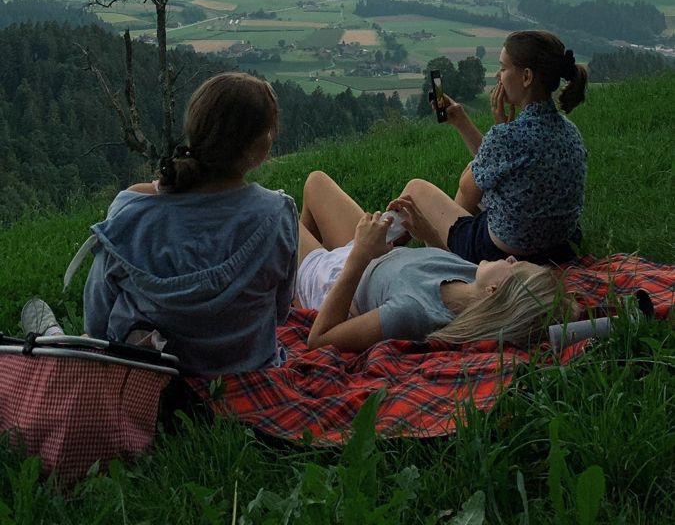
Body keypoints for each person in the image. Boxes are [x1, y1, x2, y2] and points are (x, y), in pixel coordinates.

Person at [28, 73, 298, 377]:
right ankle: (52, 337)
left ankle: (51, 337)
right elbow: (280, 311)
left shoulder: (132, 213)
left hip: (147, 376)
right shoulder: (278, 214)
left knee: (74, 344)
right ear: (259, 148)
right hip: (247, 368)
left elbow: (98, 316)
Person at [296, 170, 571, 353]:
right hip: (368, 255)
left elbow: (320, 341)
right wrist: (427, 234)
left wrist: (359, 257)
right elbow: (438, 271)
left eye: (514, 266)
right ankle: (290, 275)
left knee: (278, 214)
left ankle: (293, 290)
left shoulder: (412, 313)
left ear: (494, 291)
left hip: (337, 283)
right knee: (316, 182)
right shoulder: (472, 279)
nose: (511, 258)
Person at [389, 31, 588, 265]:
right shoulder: (570, 131)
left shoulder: (508, 137)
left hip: (504, 252)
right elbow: (499, 167)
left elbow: (469, 188)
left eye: (503, 68)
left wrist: (499, 132)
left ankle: (387, 251)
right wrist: (462, 121)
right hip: (556, 248)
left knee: (416, 189)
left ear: (526, 77)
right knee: (477, 173)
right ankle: (440, 252)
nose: (497, 75)